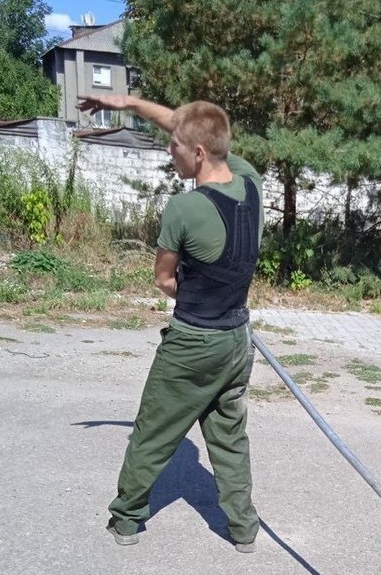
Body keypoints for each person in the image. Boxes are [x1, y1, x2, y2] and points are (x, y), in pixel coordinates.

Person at [76, 92, 262, 551]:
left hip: (193, 345)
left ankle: (126, 519)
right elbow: (193, 128)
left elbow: (163, 280)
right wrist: (128, 103)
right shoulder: (251, 182)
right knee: (228, 437)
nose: (167, 150)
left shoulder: (184, 209)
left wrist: (193, 292)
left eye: (173, 144)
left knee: (154, 431)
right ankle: (244, 531)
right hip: (238, 340)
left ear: (197, 153)